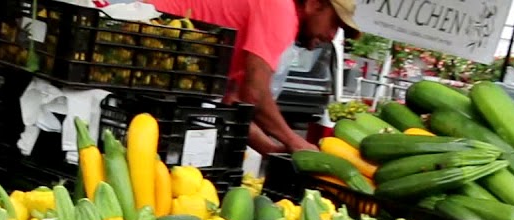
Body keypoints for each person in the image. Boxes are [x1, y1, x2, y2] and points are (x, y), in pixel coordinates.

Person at [148, 0, 360, 154]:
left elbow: (234, 101)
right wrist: (295, 141)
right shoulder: (281, 11)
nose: (332, 36)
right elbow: (255, 95)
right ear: (315, 4)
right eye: (334, 24)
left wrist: (271, 149)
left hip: (162, 67)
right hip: (152, 40)